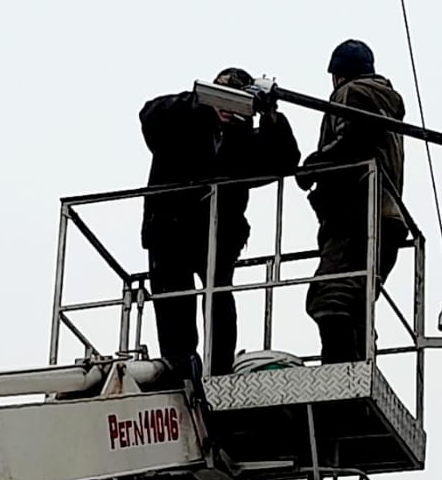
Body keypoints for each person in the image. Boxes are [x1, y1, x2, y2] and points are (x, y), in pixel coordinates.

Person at [138, 68, 300, 380]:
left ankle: (218, 370)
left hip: (219, 234)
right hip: (169, 229)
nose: (228, 108)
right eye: (223, 99)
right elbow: (149, 116)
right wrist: (198, 99)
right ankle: (181, 366)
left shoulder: (243, 141)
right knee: (173, 300)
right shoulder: (182, 120)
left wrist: (271, 114)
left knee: (219, 300)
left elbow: (285, 159)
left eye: (238, 102)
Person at [298, 39, 408, 364]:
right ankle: (359, 364)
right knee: (358, 299)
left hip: (356, 214)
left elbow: (354, 138)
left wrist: (314, 165)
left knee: (328, 297)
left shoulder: (350, 94)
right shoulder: (387, 102)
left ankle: (341, 370)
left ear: (338, 74)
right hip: (387, 218)